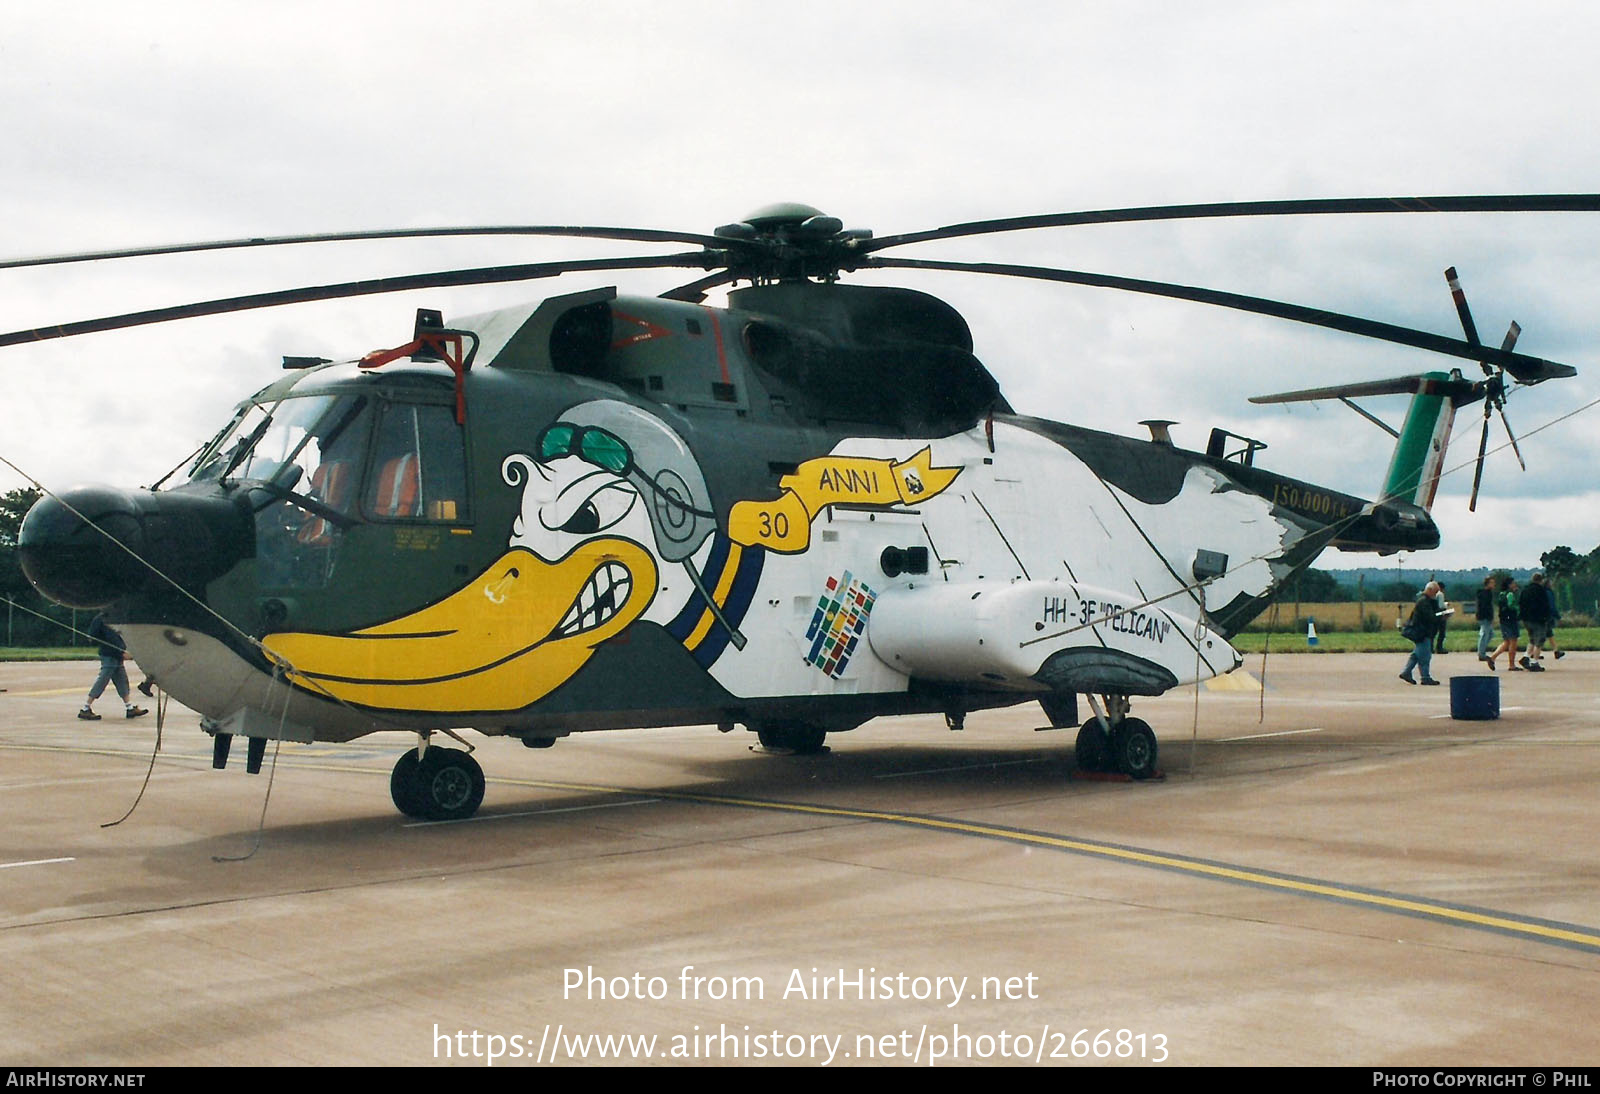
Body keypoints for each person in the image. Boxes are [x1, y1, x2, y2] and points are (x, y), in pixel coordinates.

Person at [78, 614, 149, 721]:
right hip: (109, 655)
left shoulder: (112, 618)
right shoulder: (104, 619)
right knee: (102, 680)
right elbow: (107, 638)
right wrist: (121, 652)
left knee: (122, 681)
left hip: (116, 655)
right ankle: (85, 708)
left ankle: (129, 708)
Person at [1399, 581, 1443, 686]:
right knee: (1425, 656)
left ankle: (1406, 672)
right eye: (1435, 592)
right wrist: (1441, 616)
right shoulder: (1423, 602)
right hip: (1422, 632)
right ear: (1430, 590)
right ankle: (1425, 677)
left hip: (1423, 632)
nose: (1435, 595)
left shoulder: (1427, 601)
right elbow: (1430, 617)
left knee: (1417, 654)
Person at [1521, 572, 1564, 670]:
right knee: (1539, 640)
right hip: (1539, 619)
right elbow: (1546, 605)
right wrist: (1548, 617)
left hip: (1527, 619)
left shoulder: (1525, 590)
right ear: (1541, 580)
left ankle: (1526, 657)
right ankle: (1535, 662)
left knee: (1532, 639)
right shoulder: (1542, 591)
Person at [1485, 577, 1522, 672]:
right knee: (1513, 641)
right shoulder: (1510, 594)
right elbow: (1512, 606)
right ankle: (1512, 664)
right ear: (1509, 585)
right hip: (1511, 619)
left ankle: (1492, 657)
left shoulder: (1501, 594)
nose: (1515, 585)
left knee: (1507, 642)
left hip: (1503, 619)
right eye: (1513, 583)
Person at [1475, 576, 1497, 662]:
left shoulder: (1488, 593)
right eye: (1492, 583)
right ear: (1487, 583)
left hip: (1485, 616)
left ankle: (1481, 650)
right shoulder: (1485, 594)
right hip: (1484, 617)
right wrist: (1489, 616)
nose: (1494, 584)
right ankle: (1481, 653)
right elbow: (1485, 607)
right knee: (1485, 634)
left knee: (1490, 634)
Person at [1433, 582, 1451, 654]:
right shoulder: (1440, 594)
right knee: (1442, 632)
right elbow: (1441, 606)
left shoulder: (1435, 594)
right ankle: (1439, 647)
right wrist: (1446, 605)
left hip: (1435, 614)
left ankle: (1431, 647)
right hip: (1441, 614)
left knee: (1434, 631)